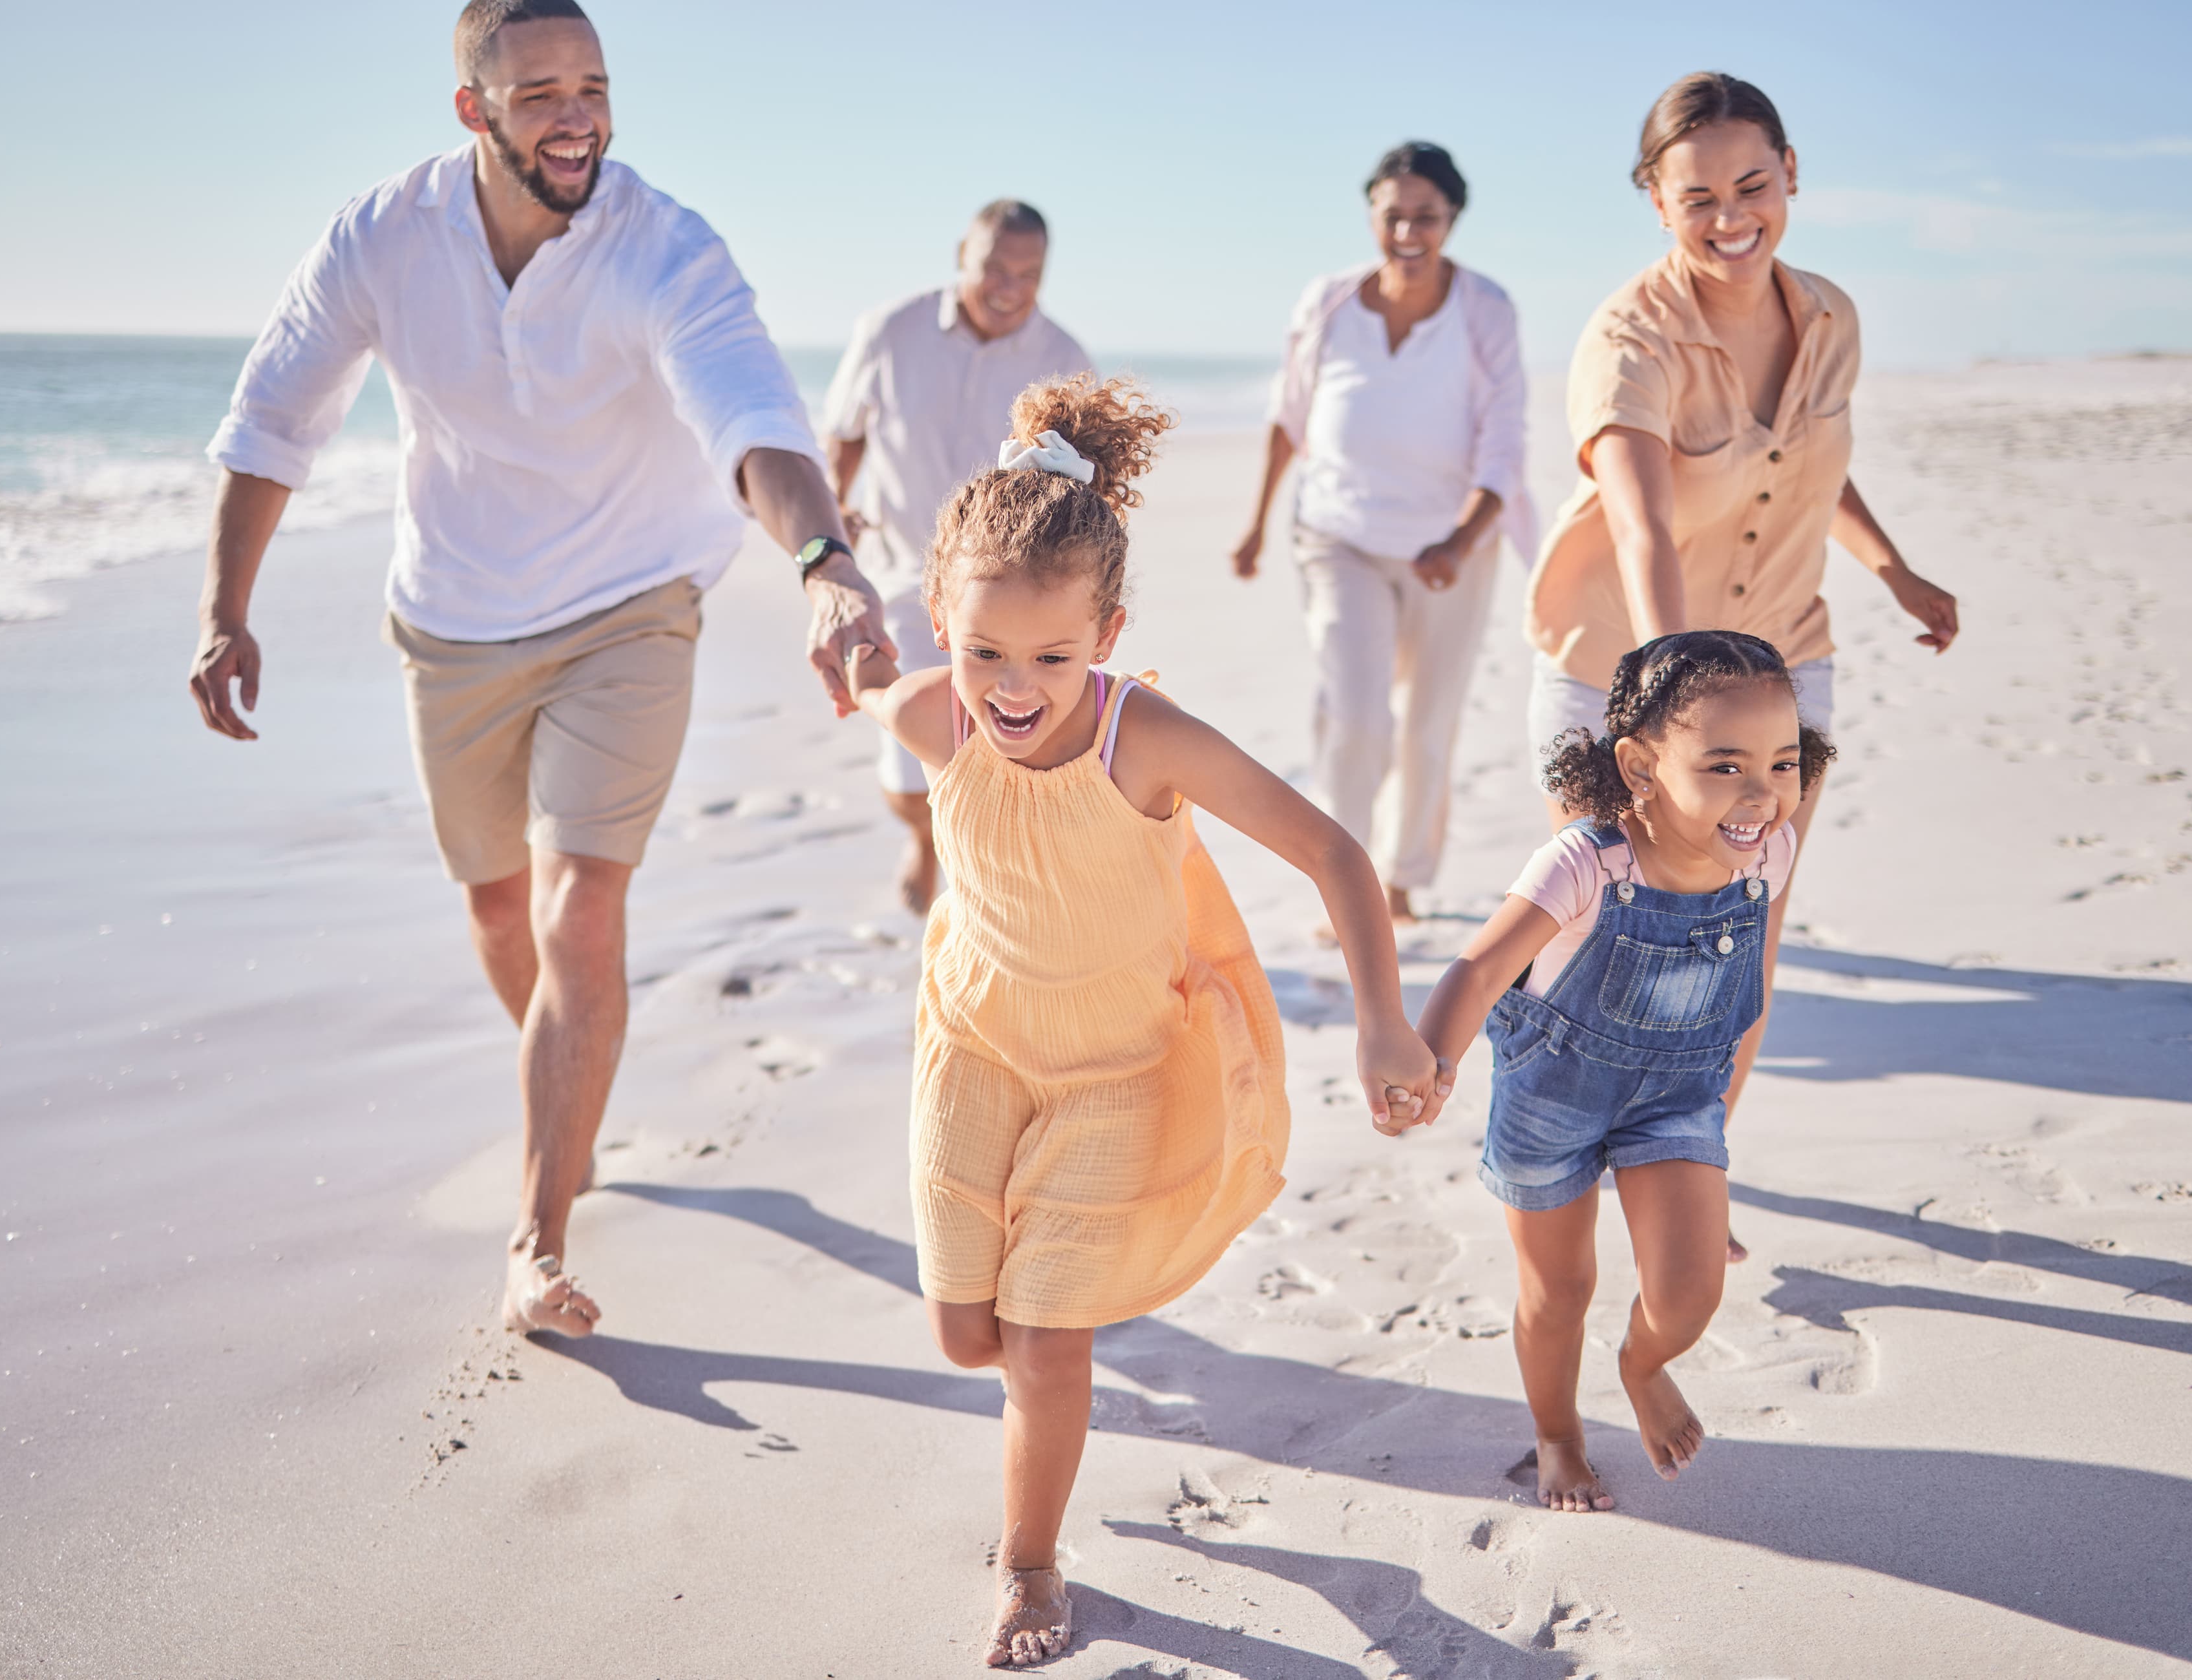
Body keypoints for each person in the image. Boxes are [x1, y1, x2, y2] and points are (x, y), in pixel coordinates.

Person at [187, 0, 889, 1339]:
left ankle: (538, 1237)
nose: (578, 119)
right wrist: (226, 611)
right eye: (541, 95)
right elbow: (275, 418)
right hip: (453, 613)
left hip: (631, 601)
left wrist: (825, 565)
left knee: (579, 911)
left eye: (595, 88)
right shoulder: (380, 238)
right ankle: (570, 1093)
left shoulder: (665, 247)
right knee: (500, 910)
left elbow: (751, 415)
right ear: (473, 109)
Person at [847, 375, 1438, 1668]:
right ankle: (1039, 1381)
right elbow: (866, 678)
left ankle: (1030, 1562)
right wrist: (833, 607)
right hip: (974, 1047)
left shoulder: (1143, 738)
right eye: (984, 652)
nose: (1014, 689)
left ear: (1107, 633)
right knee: (967, 1333)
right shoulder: (933, 711)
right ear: (942, 618)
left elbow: (1335, 854)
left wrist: (1383, 1024)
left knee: (1044, 1341)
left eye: (1053, 658)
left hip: (1115, 1073)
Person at [1522, 74, 1958, 1255]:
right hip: (1620, 676)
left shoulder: (1831, 318)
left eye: (1752, 186)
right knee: (1605, 934)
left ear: (1791, 174)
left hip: (1780, 664)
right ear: (1656, 202)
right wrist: (1669, 705)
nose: (1730, 217)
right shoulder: (1630, 338)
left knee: (1742, 935)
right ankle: (1559, 1163)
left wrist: (1892, 569)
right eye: (1698, 197)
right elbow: (1642, 527)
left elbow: (1807, 467)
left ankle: (1686, 1174)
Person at [1411, 631, 1833, 1509]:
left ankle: (1641, 1365)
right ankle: (1557, 1436)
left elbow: (1742, 987)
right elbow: (1479, 972)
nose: (1761, 795)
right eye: (1724, 766)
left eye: (1783, 763)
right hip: (1551, 1099)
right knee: (1559, 1290)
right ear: (1640, 767)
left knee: (1687, 1295)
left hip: (1675, 1098)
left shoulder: (1769, 852)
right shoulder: (1584, 862)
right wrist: (1430, 1062)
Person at [1232, 142, 1533, 924]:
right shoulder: (1329, 302)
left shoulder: (1485, 309)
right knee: (1355, 716)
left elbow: (1504, 442)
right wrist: (1256, 524)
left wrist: (1459, 541)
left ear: (1452, 219)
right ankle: (1345, 880)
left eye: (1425, 216)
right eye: (1392, 215)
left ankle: (1401, 877)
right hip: (1338, 535)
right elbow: (1289, 415)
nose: (1407, 232)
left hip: (1450, 547)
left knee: (1427, 722)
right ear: (1370, 214)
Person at [823, 202, 1093, 912]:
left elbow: (1088, 481)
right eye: (995, 269)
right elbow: (845, 432)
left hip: (1010, 595)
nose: (1010, 288)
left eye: (1029, 274)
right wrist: (833, 507)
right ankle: (923, 836)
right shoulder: (890, 331)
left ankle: (986, 896)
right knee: (908, 762)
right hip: (902, 574)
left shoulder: (1065, 358)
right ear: (961, 257)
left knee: (1003, 746)